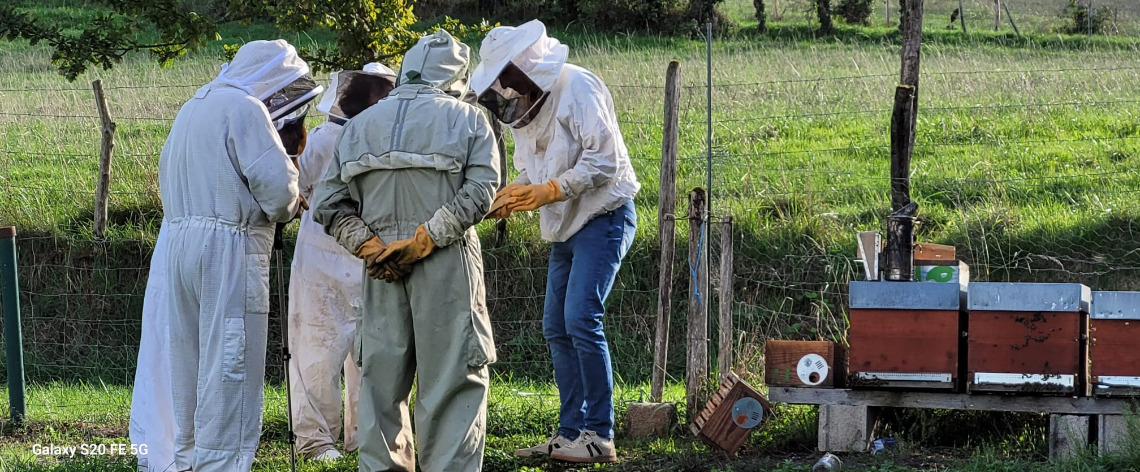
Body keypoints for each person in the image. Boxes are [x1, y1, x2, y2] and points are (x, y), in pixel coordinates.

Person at [312, 29, 500, 472]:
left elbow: (327, 204)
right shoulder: (470, 120)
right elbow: (482, 191)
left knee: (379, 382)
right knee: (453, 380)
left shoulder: (359, 125)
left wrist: (369, 245)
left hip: (382, 271)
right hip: (447, 263)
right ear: (457, 76)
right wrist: (426, 238)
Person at [472, 19, 640, 464]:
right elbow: (542, 167)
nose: (505, 89)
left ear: (528, 63)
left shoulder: (578, 86)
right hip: (566, 226)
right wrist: (514, 191)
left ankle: (599, 435)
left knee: (581, 318)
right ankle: (570, 433)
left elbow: (605, 160)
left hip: (603, 216)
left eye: (507, 76)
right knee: (556, 325)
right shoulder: (528, 105)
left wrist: (549, 191)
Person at [158, 39, 317, 472]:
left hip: (180, 246)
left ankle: (187, 458)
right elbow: (279, 193)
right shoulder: (246, 109)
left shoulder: (194, 106)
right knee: (230, 361)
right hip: (229, 249)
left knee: (189, 361)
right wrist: (291, 197)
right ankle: (221, 464)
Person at [288, 62, 397, 462]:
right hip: (322, 260)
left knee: (369, 353)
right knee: (317, 351)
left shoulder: (379, 140)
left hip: (364, 256)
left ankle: (360, 434)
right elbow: (294, 190)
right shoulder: (324, 139)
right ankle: (316, 441)